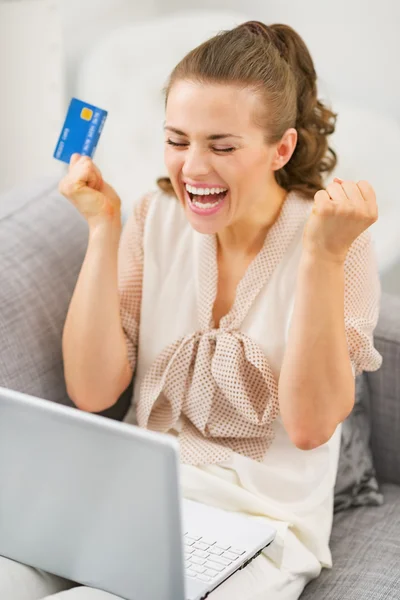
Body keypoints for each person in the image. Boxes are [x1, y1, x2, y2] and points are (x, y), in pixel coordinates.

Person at [0, 19, 382, 600]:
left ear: (281, 148)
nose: (193, 168)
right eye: (177, 140)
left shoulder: (335, 242)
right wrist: (103, 228)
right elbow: (93, 391)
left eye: (222, 146)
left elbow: (308, 427)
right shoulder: (154, 219)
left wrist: (322, 260)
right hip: (126, 503)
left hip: (260, 530)